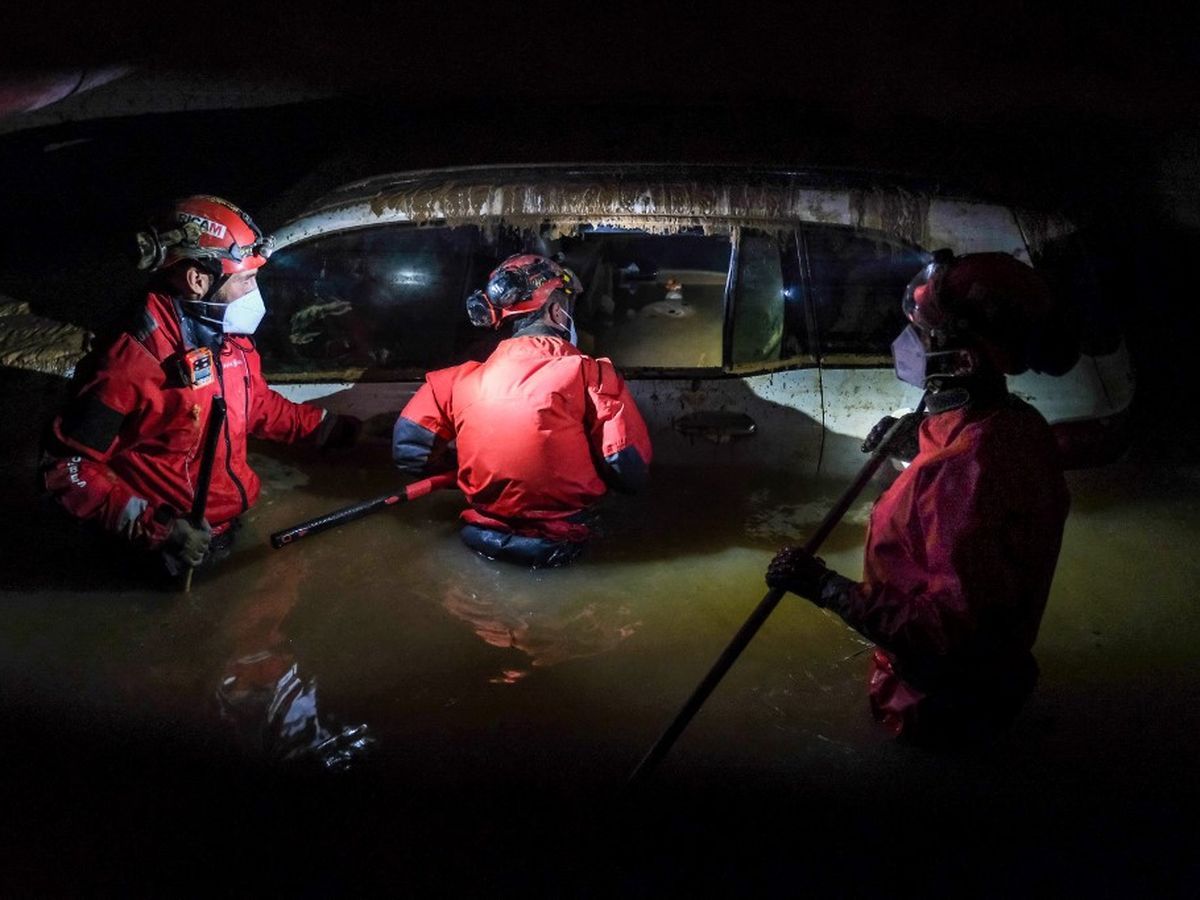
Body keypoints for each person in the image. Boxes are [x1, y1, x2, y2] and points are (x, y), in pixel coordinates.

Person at [767, 250, 1079, 746]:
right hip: (992, 684)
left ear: (963, 356)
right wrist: (920, 436)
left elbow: (946, 632)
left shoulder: (967, 469)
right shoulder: (1018, 424)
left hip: (938, 707)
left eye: (926, 333)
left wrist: (825, 587)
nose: (912, 341)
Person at [42, 196, 360, 579]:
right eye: (247, 279)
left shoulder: (226, 335)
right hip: (165, 553)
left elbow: (256, 407)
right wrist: (161, 529)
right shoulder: (133, 362)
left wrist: (339, 430)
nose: (254, 292)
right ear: (197, 280)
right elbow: (67, 467)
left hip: (223, 528)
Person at [393, 253, 652, 567]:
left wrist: (462, 469)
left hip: (479, 539)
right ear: (557, 313)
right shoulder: (590, 375)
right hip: (568, 545)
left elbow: (409, 449)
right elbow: (629, 470)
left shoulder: (455, 381)